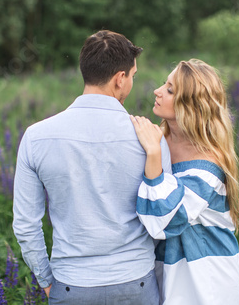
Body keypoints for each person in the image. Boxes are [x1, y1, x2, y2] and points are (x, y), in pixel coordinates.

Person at [12, 30, 171, 305]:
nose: (131, 82)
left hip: (72, 285)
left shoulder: (36, 137)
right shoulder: (151, 138)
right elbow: (163, 217)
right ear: (120, 79)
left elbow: (26, 225)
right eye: (132, 76)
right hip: (136, 283)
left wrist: (47, 280)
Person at [130, 59, 239, 304]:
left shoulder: (208, 165)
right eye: (164, 84)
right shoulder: (159, 138)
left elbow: (164, 220)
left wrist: (153, 155)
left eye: (170, 90)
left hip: (206, 284)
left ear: (190, 106)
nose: (157, 91)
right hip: (168, 275)